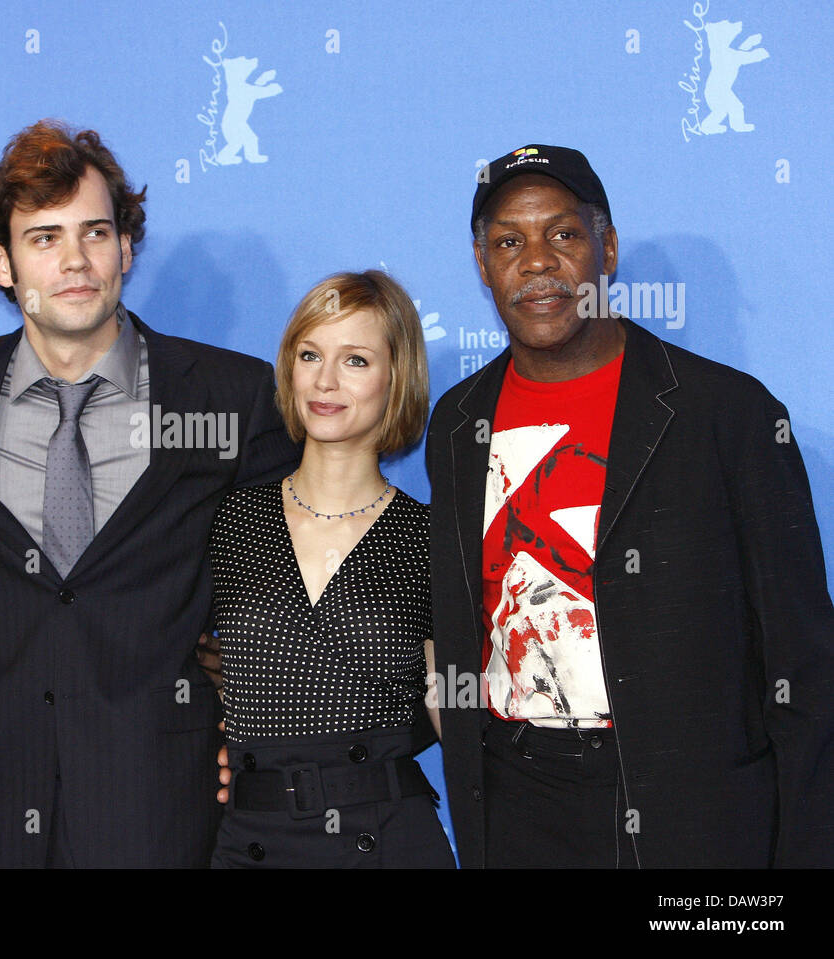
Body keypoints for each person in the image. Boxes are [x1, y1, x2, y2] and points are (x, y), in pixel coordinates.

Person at [0, 120, 301, 867]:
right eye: (44, 237)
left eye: (95, 232)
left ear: (125, 247)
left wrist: (238, 721)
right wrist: (1, 678)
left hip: (163, 807)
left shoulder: (226, 395)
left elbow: (277, 600)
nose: (75, 260)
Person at [427, 144, 834, 867]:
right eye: (508, 242)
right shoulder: (459, 422)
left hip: (696, 810)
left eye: (564, 234)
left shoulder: (727, 413)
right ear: (483, 264)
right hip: (519, 806)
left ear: (607, 247)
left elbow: (805, 668)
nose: (538, 262)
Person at [209, 271, 454, 867]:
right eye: (310, 354)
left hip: (387, 838)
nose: (324, 380)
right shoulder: (228, 521)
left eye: (356, 360)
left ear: (397, 378)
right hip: (251, 839)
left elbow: (460, 720)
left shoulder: (431, 541)